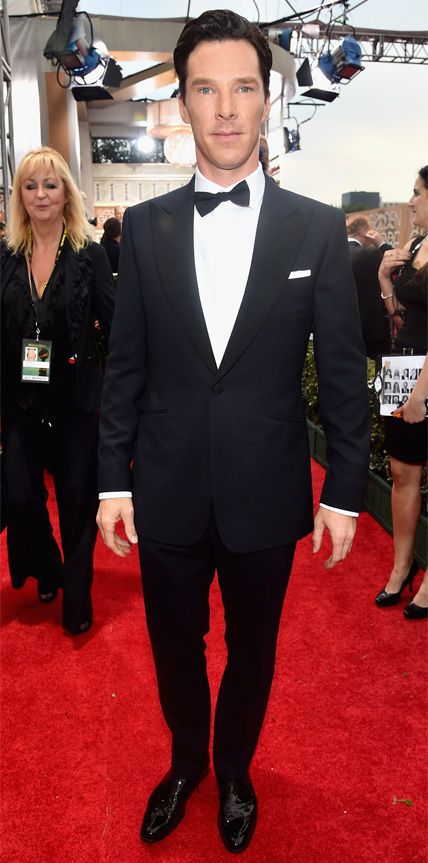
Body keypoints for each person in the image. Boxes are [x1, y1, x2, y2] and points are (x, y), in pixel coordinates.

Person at [96, 10, 370, 854]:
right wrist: (112, 479)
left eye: (242, 88)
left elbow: (344, 371)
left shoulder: (316, 228)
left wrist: (346, 493)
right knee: (174, 648)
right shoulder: (144, 230)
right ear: (182, 103)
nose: (224, 109)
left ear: (266, 99)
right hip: (167, 487)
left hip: (266, 490)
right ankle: (187, 762)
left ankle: (235, 769)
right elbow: (125, 366)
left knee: (253, 651)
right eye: (206, 90)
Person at [1, 146, 115, 635]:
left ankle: (77, 594)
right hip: (21, 400)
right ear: (19, 196)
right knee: (19, 497)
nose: (41, 195)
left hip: (75, 400)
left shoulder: (90, 254)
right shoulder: (7, 256)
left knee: (75, 501)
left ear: (66, 192)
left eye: (50, 185)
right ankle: (47, 566)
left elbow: (115, 325)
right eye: (30, 186)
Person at [375, 165, 428, 620]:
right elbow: (402, 320)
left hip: (423, 377)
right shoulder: (415, 245)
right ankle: (401, 566)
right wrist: (384, 283)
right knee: (400, 470)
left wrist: (419, 393)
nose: (411, 201)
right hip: (402, 366)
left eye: (417, 193)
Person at [346, 215, 392, 359]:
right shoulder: (372, 254)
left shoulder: (332, 253)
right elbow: (400, 268)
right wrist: (381, 244)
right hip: (372, 332)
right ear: (364, 232)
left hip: (341, 329)